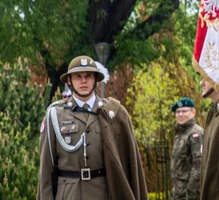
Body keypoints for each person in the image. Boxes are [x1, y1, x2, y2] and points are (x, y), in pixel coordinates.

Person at [38, 55, 147, 200]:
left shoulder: (113, 113)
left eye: (88, 76)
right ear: (69, 80)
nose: (83, 81)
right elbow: (46, 168)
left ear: (96, 79)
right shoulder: (55, 115)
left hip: (102, 191)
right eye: (78, 77)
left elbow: (130, 163)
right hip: (69, 193)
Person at [170, 96, 204, 200]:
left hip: (188, 194)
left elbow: (198, 166)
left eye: (184, 111)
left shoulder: (195, 134)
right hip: (178, 192)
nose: (180, 115)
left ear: (193, 112)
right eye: (178, 112)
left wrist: (191, 195)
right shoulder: (180, 134)